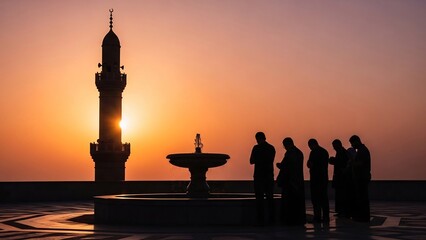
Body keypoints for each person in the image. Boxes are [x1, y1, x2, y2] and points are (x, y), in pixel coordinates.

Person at [276, 137, 306, 225]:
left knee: (290, 203)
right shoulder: (299, 152)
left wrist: (280, 166)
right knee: (297, 203)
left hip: (290, 183)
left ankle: (291, 220)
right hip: (297, 181)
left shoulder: (290, 153)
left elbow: (288, 167)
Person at [250, 132, 276, 225]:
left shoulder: (256, 148)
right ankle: (272, 219)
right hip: (269, 176)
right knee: (270, 199)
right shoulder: (271, 148)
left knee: (259, 199)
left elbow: (251, 161)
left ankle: (261, 220)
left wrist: (258, 159)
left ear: (257, 138)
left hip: (259, 177)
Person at [349, 135, 371, 222]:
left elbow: (360, 164)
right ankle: (362, 216)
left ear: (356, 141)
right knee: (361, 197)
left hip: (362, 177)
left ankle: (363, 217)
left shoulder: (362, 151)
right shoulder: (362, 150)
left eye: (352, 144)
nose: (352, 146)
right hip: (361, 177)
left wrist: (352, 162)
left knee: (362, 198)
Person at [307, 138, 330, 222]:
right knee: (324, 198)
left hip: (316, 179)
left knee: (316, 199)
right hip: (323, 178)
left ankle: (317, 216)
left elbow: (310, 164)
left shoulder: (314, 152)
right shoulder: (324, 151)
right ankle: (325, 217)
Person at [329, 139, 349, 217]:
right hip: (339, 177)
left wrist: (335, 161)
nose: (334, 148)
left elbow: (343, 164)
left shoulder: (343, 152)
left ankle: (344, 211)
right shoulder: (340, 152)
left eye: (334, 146)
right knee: (339, 195)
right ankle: (341, 211)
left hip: (342, 178)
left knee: (342, 196)